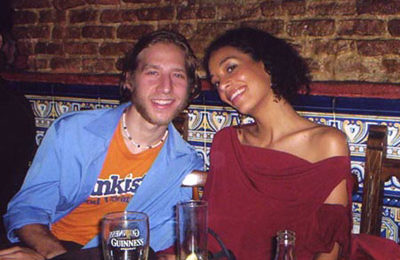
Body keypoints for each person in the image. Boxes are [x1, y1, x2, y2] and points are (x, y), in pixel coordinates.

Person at [0, 29, 203, 260]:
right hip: (51, 248)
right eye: (152, 72)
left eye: (177, 75)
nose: (165, 87)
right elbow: (28, 209)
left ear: (190, 87)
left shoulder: (185, 163)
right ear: (129, 80)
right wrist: (54, 254)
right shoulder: (74, 132)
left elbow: (167, 238)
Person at [202, 27, 353, 260]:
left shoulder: (327, 143)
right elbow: (213, 231)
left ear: (266, 64)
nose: (223, 86)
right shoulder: (227, 142)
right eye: (216, 82)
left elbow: (329, 245)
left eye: (231, 68)